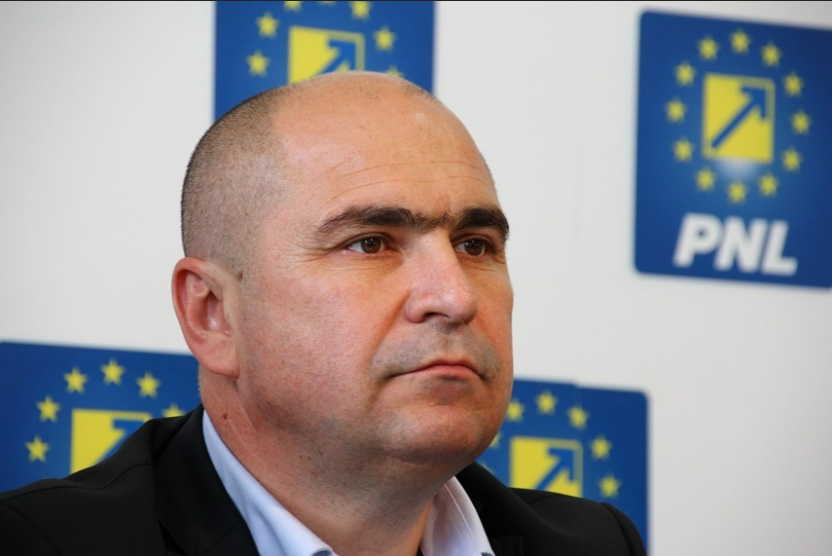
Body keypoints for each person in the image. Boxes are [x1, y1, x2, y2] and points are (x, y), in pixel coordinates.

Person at [0, 71, 645, 556]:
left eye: (475, 246)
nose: (455, 297)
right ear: (213, 315)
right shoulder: (40, 544)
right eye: (370, 244)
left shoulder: (594, 544)